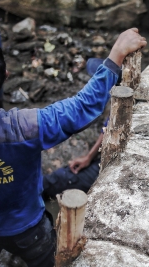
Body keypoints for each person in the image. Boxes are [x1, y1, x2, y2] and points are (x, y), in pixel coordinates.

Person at [0, 28, 147, 266]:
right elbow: (82, 106)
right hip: (29, 228)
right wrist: (115, 57)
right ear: (5, 77)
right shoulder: (24, 127)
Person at [41, 58, 108, 198]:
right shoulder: (122, 102)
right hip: (105, 157)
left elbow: (82, 110)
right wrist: (89, 157)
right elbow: (107, 129)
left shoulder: (124, 104)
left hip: (110, 167)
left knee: (62, 178)